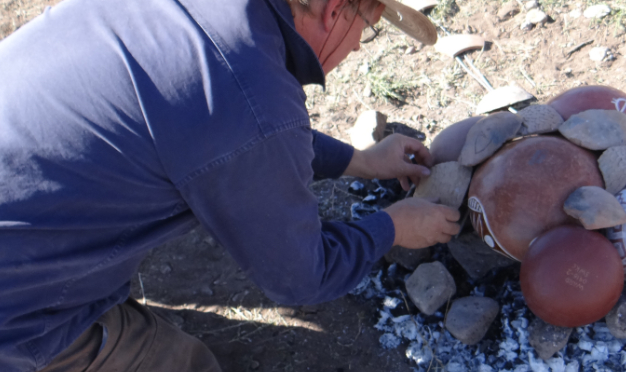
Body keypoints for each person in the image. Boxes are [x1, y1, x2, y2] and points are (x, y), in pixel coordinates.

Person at [0, 0, 460, 370]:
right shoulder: (243, 85)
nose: (360, 46)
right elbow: (301, 277)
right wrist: (391, 228)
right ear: (334, 10)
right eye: (371, 24)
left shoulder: (208, 23)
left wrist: (358, 161)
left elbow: (233, 129)